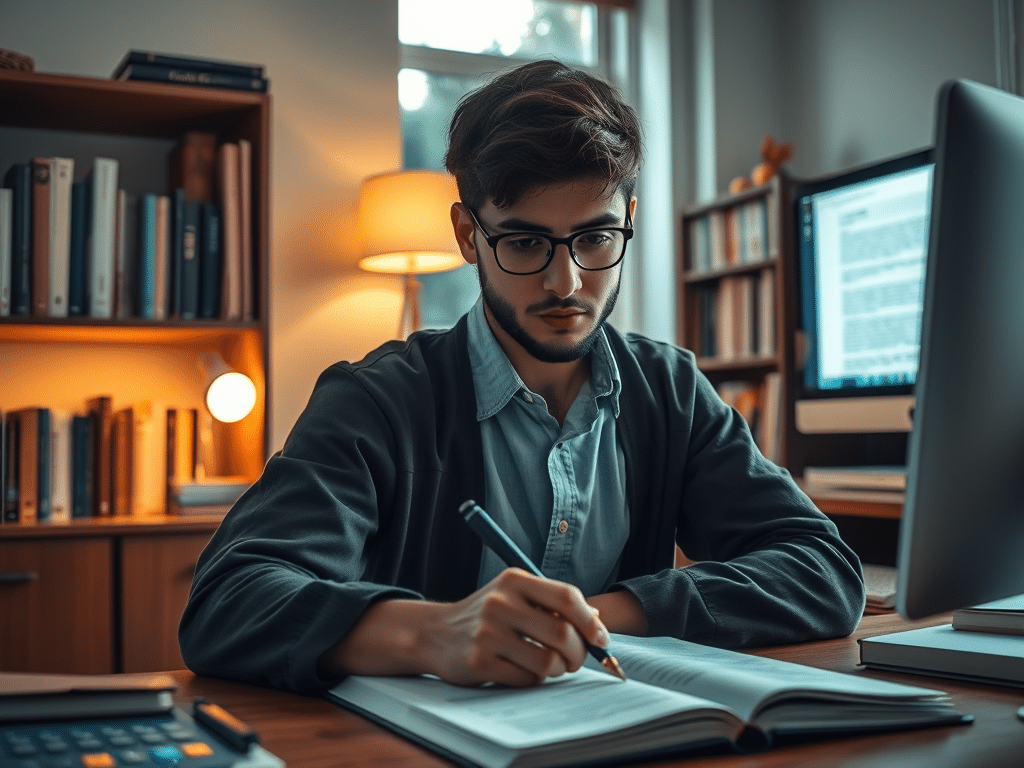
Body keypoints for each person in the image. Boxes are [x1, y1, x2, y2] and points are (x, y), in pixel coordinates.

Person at [179, 59, 865, 694]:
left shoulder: (670, 390)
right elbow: (227, 602)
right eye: (526, 242)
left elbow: (823, 571)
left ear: (628, 221)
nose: (565, 282)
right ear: (468, 235)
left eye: (595, 238)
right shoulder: (377, 401)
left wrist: (594, 618)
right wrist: (430, 633)